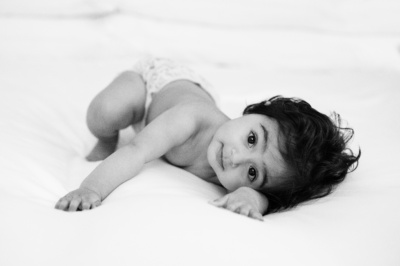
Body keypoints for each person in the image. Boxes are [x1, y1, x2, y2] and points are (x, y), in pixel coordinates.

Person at [55, 57, 360, 220]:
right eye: (252, 138)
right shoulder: (191, 119)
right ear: (254, 112)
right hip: (157, 85)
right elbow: (136, 151)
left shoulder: (237, 176)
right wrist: (90, 189)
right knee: (104, 113)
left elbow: (266, 198)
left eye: (253, 173)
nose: (236, 157)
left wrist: (248, 197)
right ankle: (106, 136)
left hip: (189, 92)